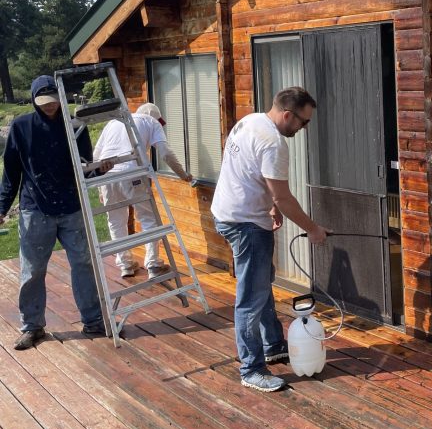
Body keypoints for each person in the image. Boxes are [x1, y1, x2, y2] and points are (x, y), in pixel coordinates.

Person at [211, 86, 328, 392]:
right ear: (288, 115)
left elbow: (251, 172)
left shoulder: (250, 121)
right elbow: (285, 197)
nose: (303, 129)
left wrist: (271, 206)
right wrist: (313, 228)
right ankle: (251, 369)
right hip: (246, 224)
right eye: (303, 123)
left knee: (261, 283)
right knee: (250, 297)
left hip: (228, 214)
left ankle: (274, 344)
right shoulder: (274, 143)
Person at [0, 75, 111, 350]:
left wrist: (100, 168)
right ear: (35, 100)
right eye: (43, 103)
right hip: (35, 210)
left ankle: (93, 320)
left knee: (83, 264)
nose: (49, 107)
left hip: (72, 208)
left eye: (53, 102)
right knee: (33, 270)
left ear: (61, 99)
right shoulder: (21, 127)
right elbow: (11, 173)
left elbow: (84, 164)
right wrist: (1, 208)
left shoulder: (75, 126)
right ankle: (33, 327)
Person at [93, 102, 193, 278]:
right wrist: (183, 175)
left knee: (116, 220)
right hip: (134, 172)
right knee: (148, 218)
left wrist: (101, 188)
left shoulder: (114, 122)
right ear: (154, 116)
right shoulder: (150, 122)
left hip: (107, 174)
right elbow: (165, 153)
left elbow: (96, 155)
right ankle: (153, 264)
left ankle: (125, 265)